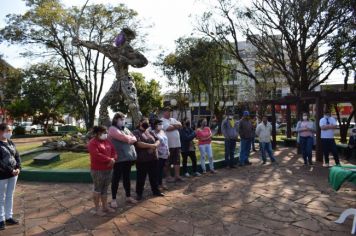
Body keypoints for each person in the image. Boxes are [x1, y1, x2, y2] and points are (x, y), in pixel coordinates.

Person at [108, 112, 138, 207]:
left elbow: (135, 138)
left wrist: (129, 138)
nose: (123, 121)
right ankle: (113, 199)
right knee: (116, 179)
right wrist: (130, 139)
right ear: (116, 119)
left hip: (127, 158)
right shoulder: (112, 129)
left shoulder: (125, 129)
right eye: (121, 119)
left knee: (126, 178)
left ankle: (128, 196)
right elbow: (122, 137)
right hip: (118, 158)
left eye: (124, 119)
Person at [87, 126, 117, 216]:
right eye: (103, 133)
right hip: (98, 170)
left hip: (109, 169)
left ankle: (105, 206)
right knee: (98, 189)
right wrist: (109, 160)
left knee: (105, 188)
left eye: (106, 132)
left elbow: (114, 151)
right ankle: (97, 209)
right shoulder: (92, 143)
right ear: (97, 133)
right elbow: (97, 155)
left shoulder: (107, 141)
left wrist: (113, 159)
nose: (105, 134)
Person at [133, 118, 164, 200]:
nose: (146, 123)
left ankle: (156, 191)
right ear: (140, 123)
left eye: (147, 122)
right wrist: (151, 146)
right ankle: (139, 193)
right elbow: (138, 143)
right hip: (142, 160)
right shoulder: (136, 132)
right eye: (144, 121)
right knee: (141, 177)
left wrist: (154, 146)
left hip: (153, 158)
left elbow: (158, 140)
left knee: (154, 176)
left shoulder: (150, 132)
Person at [0, 123, 20, 230]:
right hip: (2, 175)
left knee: (9, 195)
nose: (10, 132)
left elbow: (17, 155)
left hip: (14, 174)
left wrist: (18, 168)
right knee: (1, 197)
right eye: (8, 130)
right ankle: (1, 219)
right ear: (1, 131)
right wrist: (11, 170)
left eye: (10, 130)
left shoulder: (11, 142)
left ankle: (9, 216)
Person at [161, 107, 184, 182]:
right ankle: (168, 176)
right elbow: (168, 128)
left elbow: (180, 125)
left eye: (170, 111)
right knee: (168, 161)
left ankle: (177, 176)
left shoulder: (173, 119)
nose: (169, 113)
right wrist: (176, 126)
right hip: (168, 145)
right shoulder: (162, 120)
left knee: (177, 161)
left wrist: (174, 125)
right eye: (168, 111)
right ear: (164, 112)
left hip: (177, 144)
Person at [152, 119, 170, 191]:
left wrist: (168, 150)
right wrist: (157, 151)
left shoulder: (163, 132)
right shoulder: (153, 133)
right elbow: (153, 143)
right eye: (159, 124)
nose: (161, 125)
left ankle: (161, 183)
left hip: (165, 154)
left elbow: (166, 142)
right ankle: (157, 185)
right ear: (155, 125)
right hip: (158, 155)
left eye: (161, 124)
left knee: (162, 170)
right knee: (157, 170)